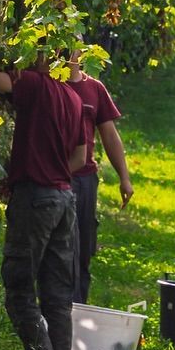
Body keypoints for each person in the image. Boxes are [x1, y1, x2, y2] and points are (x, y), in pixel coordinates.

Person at [0, 56, 84, 350]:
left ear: (42, 56)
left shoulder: (34, 84)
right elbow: (79, 157)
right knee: (58, 296)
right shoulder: (73, 97)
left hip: (36, 199)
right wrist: (46, 169)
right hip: (64, 199)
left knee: (19, 290)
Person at [67, 46, 133, 303]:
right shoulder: (48, 84)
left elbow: (110, 135)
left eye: (71, 48)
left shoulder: (94, 88)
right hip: (52, 177)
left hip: (83, 180)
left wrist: (124, 177)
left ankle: (78, 310)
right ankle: (57, 313)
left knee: (82, 250)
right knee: (62, 251)